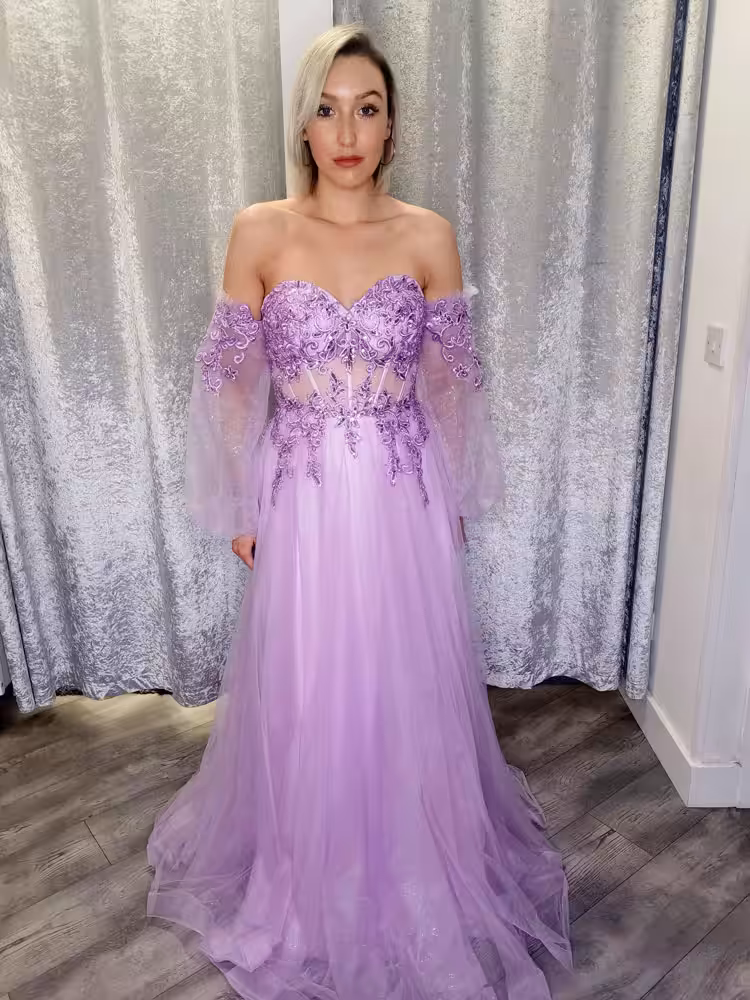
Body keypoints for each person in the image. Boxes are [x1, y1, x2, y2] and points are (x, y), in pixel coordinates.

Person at [147, 23, 572, 1000]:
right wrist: (240, 504)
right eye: (329, 109)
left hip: (398, 491)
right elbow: (230, 381)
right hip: (300, 495)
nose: (348, 132)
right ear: (305, 123)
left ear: (391, 125)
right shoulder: (261, 231)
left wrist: (455, 494)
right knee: (311, 685)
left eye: (367, 109)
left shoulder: (427, 235)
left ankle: (415, 864)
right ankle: (311, 876)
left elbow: (452, 381)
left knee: (402, 679)